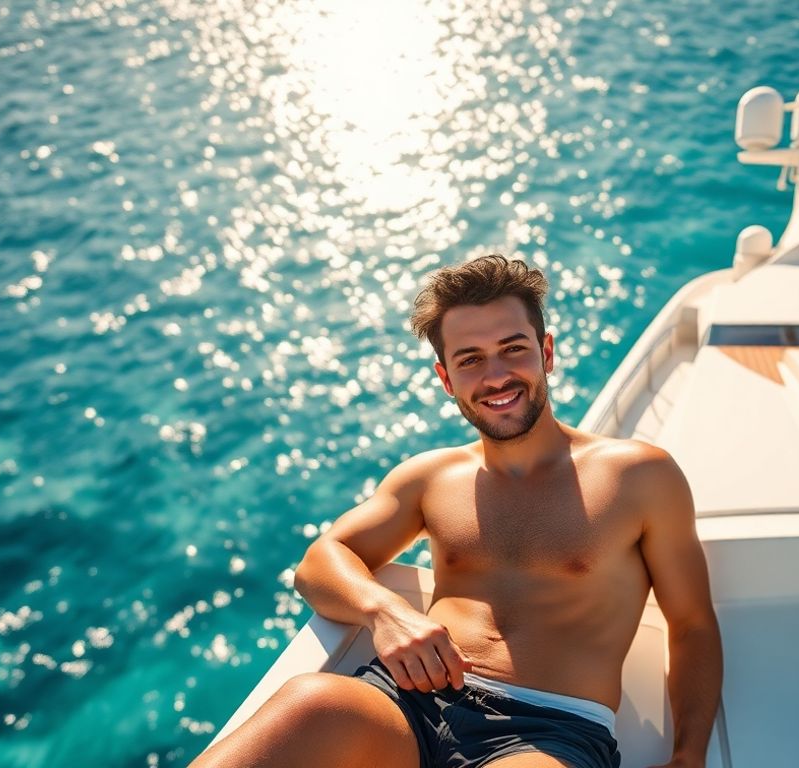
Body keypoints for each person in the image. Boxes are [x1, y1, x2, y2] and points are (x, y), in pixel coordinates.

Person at [193, 254, 722, 768]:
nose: (496, 376)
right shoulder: (431, 478)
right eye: (470, 359)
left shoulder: (638, 476)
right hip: (406, 699)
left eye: (513, 349)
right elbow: (320, 562)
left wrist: (689, 755)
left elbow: (692, 624)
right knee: (310, 703)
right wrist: (385, 613)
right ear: (447, 379)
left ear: (547, 353)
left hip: (551, 728)